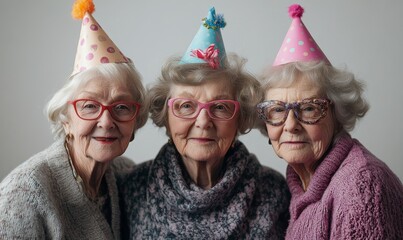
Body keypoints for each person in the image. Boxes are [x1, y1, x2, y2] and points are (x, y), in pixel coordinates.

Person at [119, 7, 290, 239]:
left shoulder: (273, 190)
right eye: (186, 106)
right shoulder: (131, 189)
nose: (203, 122)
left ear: (239, 119)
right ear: (166, 117)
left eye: (220, 107)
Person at [0, 0, 147, 239]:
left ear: (135, 121)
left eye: (121, 107)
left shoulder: (123, 173)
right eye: (89, 106)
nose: (107, 121)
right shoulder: (24, 192)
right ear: (66, 119)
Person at [256, 4, 403, 239]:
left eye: (309, 108)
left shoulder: (361, 186)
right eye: (277, 110)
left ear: (337, 115)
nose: (291, 125)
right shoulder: (303, 186)